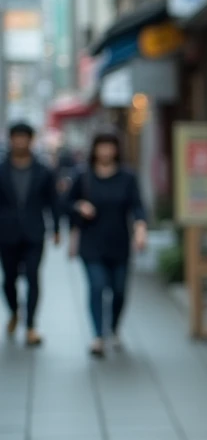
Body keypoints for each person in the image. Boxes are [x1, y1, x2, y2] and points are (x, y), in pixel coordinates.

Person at [65, 133, 147, 357]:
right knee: (97, 286)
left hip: (119, 243)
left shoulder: (127, 177)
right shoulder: (82, 176)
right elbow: (66, 204)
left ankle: (114, 327)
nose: (106, 152)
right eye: (101, 147)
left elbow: (138, 206)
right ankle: (98, 336)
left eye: (110, 147)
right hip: (91, 244)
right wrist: (79, 206)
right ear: (95, 150)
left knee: (119, 291)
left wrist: (140, 229)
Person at [0, 122, 61, 346]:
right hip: (6, 233)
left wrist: (56, 229)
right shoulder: (2, 168)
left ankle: (31, 325)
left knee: (33, 277)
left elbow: (53, 201)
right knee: (8, 280)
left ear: (31, 140)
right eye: (16, 137)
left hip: (34, 232)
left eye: (24, 137)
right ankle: (15, 311)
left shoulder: (43, 170)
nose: (19, 142)